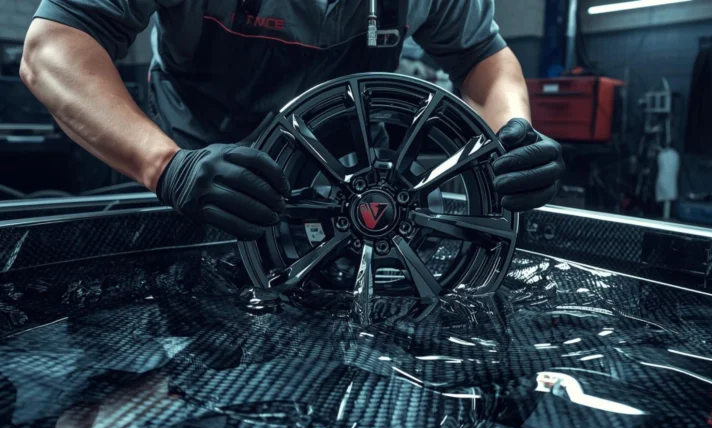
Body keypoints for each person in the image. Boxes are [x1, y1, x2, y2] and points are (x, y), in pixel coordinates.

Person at [20, 0, 564, 241]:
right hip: (202, 189)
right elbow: (54, 47)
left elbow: (484, 61)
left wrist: (512, 135)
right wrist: (165, 166)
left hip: (349, 200)